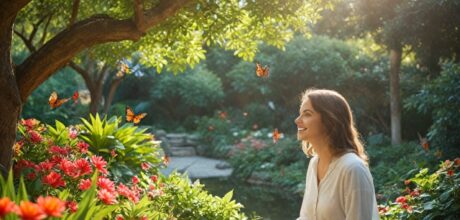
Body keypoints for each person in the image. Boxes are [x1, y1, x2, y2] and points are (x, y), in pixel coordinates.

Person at [295, 88, 379, 220]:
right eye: (300, 114)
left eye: (307, 114)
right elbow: (305, 217)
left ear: (330, 120)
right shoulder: (314, 164)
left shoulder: (353, 169)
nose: (297, 120)